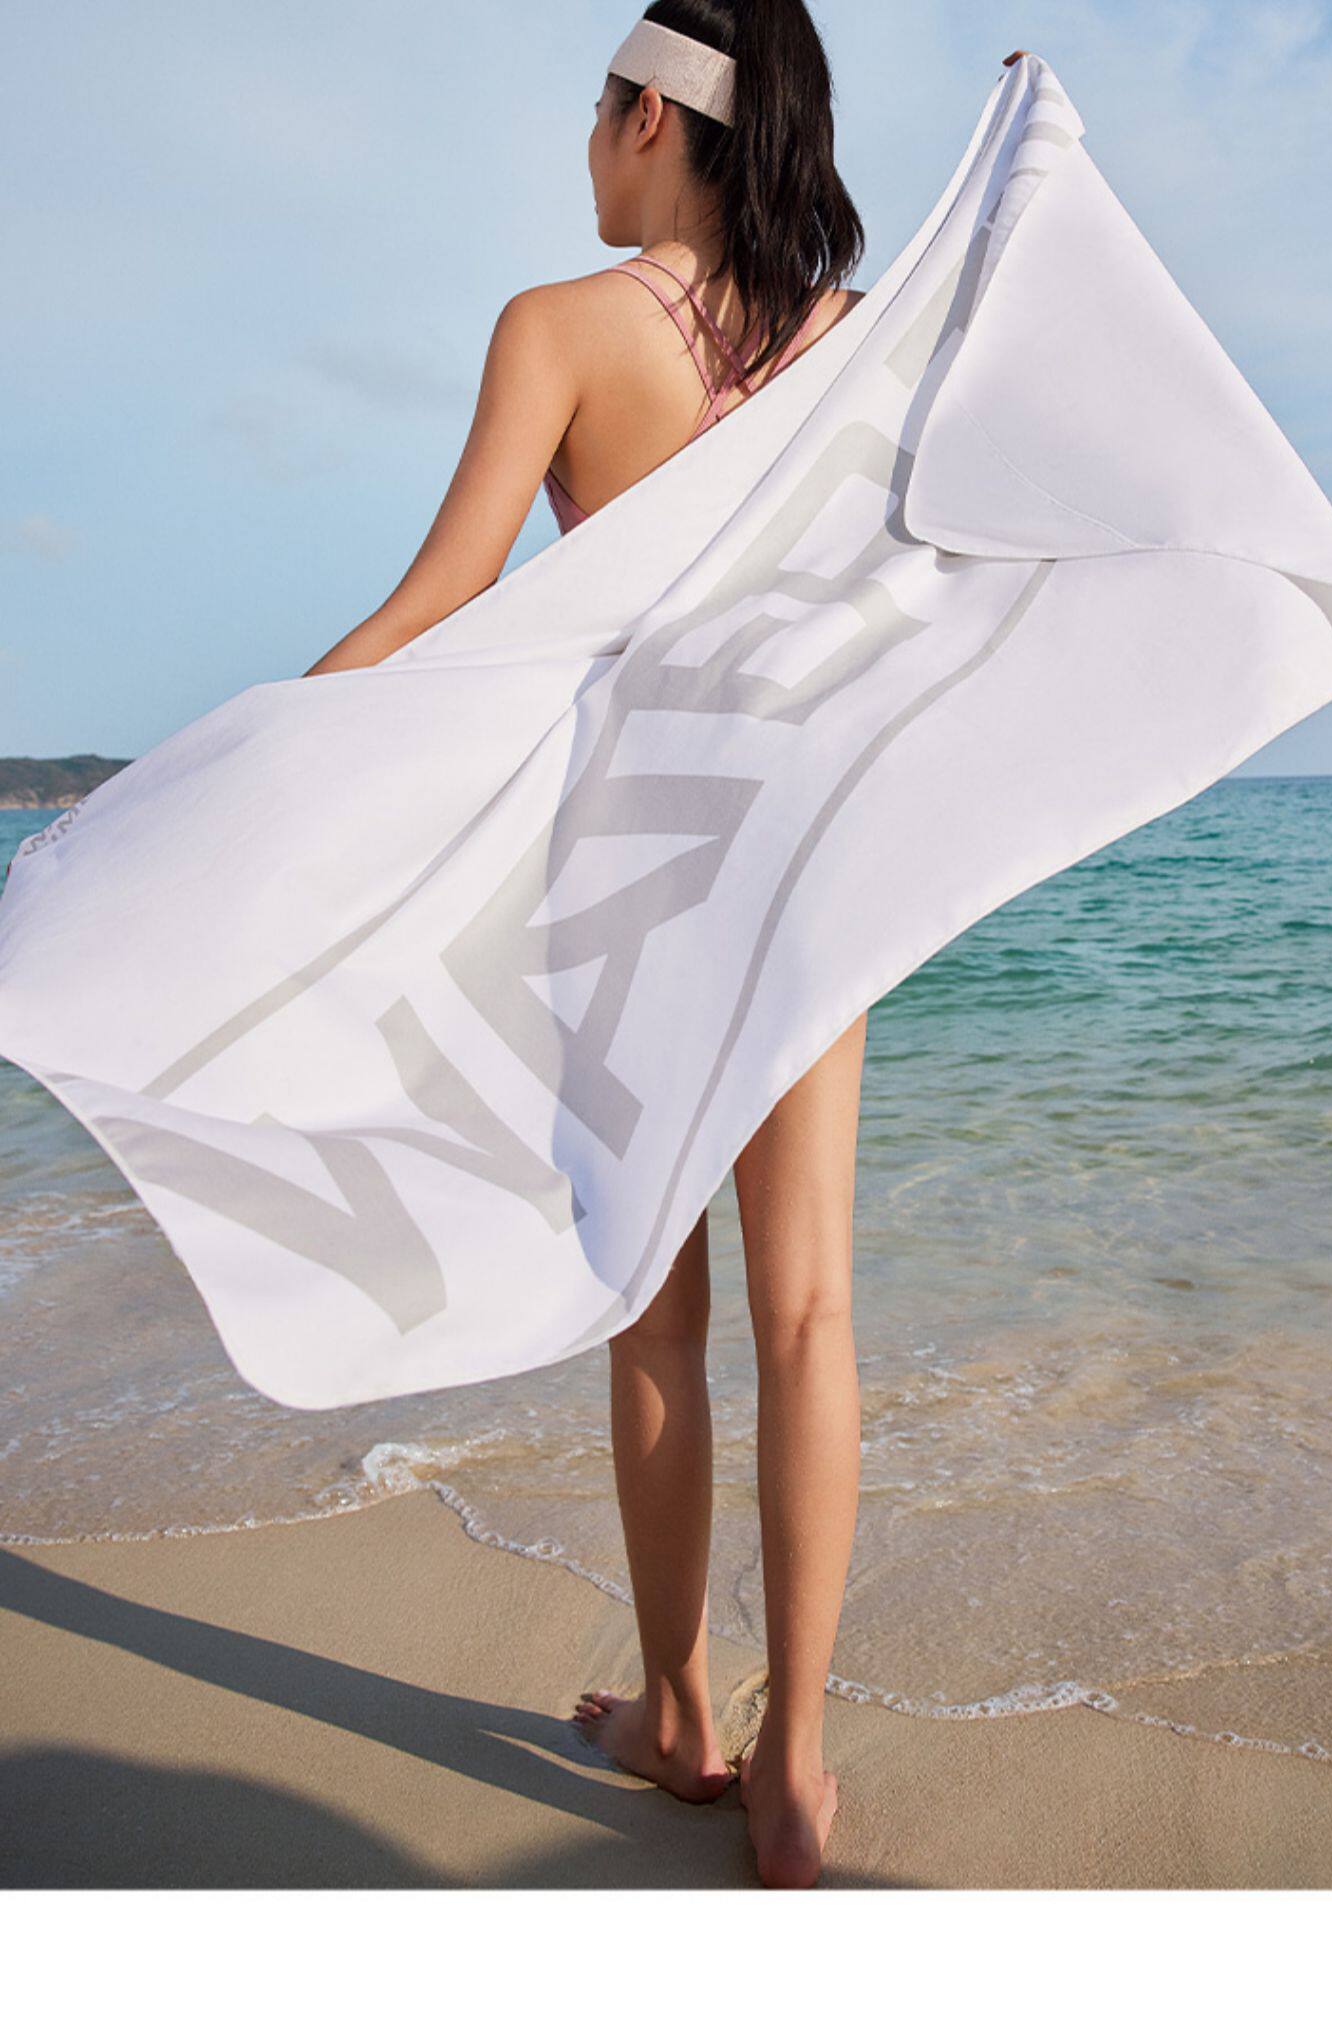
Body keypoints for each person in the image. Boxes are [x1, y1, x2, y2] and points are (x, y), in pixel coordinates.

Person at [300, 0, 1025, 1890]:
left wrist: (252, 757)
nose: (585, 142)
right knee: (812, 1309)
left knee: (658, 1314)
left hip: (630, 868)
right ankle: (797, 1767)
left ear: (649, 119)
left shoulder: (557, 329)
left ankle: (682, 1710)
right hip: (807, 860)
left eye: (596, 107)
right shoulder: (848, 340)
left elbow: (442, 601)